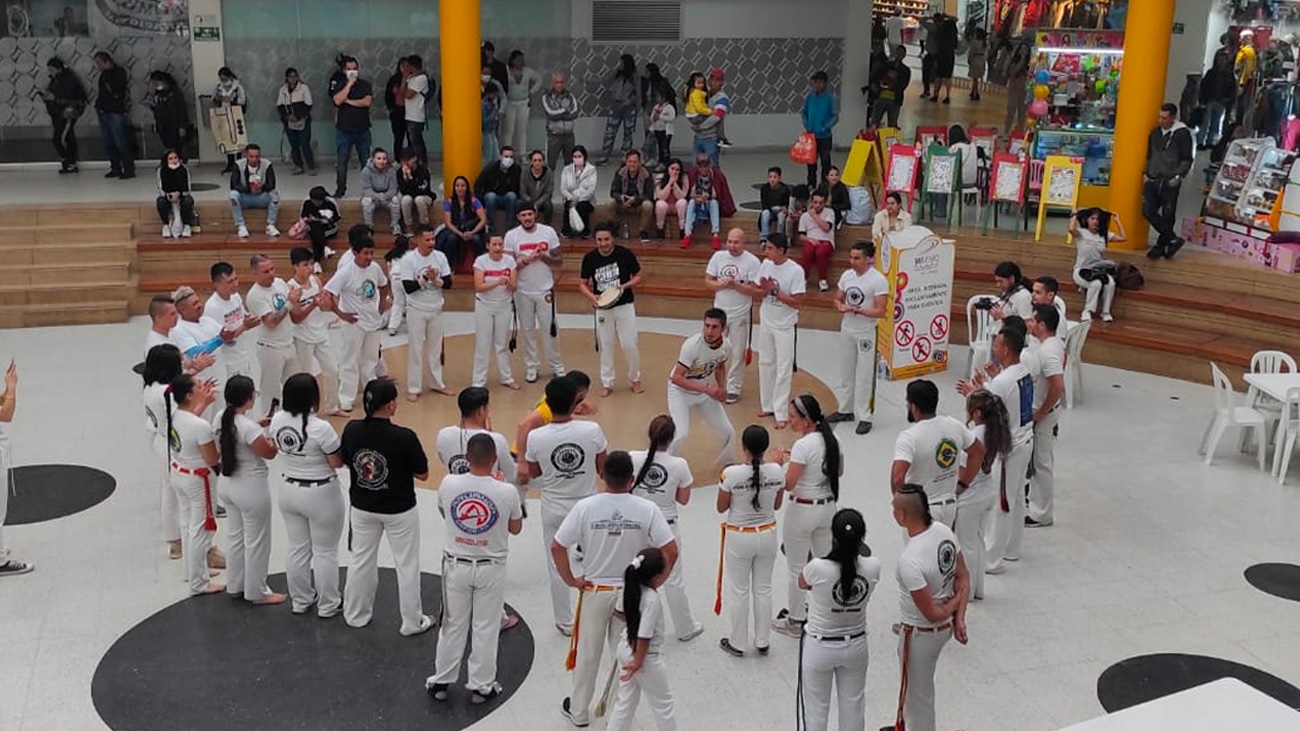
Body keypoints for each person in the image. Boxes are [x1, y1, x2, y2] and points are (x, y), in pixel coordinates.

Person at [550, 451, 678, 728]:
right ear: (632, 479)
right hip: (632, 593)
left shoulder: (586, 507)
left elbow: (557, 545)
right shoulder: (647, 509)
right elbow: (671, 550)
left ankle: (580, 711)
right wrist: (653, 583)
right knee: (626, 654)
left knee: (587, 655)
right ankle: (620, 714)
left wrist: (571, 579)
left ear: (601, 475)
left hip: (595, 589)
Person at [426, 433, 524, 704]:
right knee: (486, 626)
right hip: (490, 566)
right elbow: (516, 528)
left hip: (456, 564)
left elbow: (446, 512)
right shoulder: (506, 491)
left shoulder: (448, 483)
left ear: (466, 458)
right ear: (494, 460)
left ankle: (441, 681)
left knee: (452, 624)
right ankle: (481, 685)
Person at [340, 378, 432, 636]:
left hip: (362, 505)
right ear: (391, 404)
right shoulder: (404, 437)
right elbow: (423, 474)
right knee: (407, 564)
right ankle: (412, 622)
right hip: (399, 509)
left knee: (360, 560)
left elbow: (347, 461)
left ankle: (356, 615)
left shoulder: (352, 429)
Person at [527, 376, 609, 636]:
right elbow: (602, 469)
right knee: (597, 561)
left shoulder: (536, 437)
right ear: (576, 402)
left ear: (548, 404)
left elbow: (534, 472)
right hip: (588, 505)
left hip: (554, 506)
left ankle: (564, 621)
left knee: (556, 565)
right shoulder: (592, 430)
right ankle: (598, 615)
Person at [890, 485, 970, 731]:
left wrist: (954, 605)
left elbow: (932, 613)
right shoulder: (944, 531)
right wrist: (959, 617)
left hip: (918, 633)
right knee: (919, 692)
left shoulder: (910, 559)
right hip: (944, 627)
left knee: (917, 698)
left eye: (894, 508)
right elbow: (963, 577)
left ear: (902, 516)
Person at [796, 508, 880, 731]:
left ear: (833, 535)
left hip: (819, 645)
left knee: (816, 711)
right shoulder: (873, 566)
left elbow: (802, 583)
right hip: (856, 644)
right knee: (853, 708)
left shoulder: (817, 567)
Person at [959, 325, 1034, 574]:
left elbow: (988, 407)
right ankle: (1012, 548)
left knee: (1004, 502)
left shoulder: (1002, 381)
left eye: (997, 344)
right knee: (1016, 498)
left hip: (1010, 447)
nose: (993, 348)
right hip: (1025, 439)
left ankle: (992, 560)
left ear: (1006, 349)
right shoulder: (1022, 371)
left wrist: (974, 393)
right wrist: (987, 384)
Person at [270, 373, 346, 616]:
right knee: (325, 552)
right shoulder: (321, 428)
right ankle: (328, 604)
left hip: (289, 488)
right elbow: (336, 461)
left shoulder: (277, 419)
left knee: (297, 547)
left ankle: (300, 600)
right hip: (321, 492)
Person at [771, 394, 842, 638]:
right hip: (828, 508)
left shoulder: (803, 446)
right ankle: (828, 613)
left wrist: (780, 464)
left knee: (796, 568)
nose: (790, 421)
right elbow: (838, 470)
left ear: (806, 420)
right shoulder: (833, 439)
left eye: (793, 417)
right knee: (826, 564)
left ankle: (796, 619)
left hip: (802, 509)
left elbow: (789, 483)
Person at [629, 416, 702, 641]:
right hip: (667, 528)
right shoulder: (679, 465)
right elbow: (683, 499)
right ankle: (685, 627)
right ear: (671, 439)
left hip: (639, 527)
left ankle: (636, 625)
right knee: (673, 579)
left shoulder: (633, 458)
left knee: (636, 576)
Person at [716, 424, 784, 656]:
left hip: (739, 535)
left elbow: (721, 507)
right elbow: (776, 505)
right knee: (763, 588)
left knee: (739, 590)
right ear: (766, 447)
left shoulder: (731, 474)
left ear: (743, 446)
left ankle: (738, 642)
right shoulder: (777, 470)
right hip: (767, 532)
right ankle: (763, 640)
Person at [215, 375, 284, 605]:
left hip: (227, 484)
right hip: (251, 487)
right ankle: (257, 591)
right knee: (257, 540)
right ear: (248, 398)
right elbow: (269, 452)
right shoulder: (248, 428)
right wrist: (271, 433)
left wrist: (257, 424)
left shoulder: (220, 418)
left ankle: (235, 584)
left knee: (235, 537)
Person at [604, 547, 679, 731]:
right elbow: (644, 636)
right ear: (656, 576)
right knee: (663, 704)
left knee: (625, 702)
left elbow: (620, 613)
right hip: (645, 657)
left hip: (624, 648)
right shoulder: (651, 599)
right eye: (667, 569)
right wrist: (638, 662)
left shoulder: (631, 588)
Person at [892, 379, 980, 528]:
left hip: (921, 510)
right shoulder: (954, 425)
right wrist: (964, 483)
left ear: (913, 406)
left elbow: (897, 478)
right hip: (950, 506)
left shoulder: (909, 437)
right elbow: (978, 451)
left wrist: (900, 507)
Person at [165, 374, 222, 595]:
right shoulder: (201, 426)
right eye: (198, 386)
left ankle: (192, 571)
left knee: (187, 524)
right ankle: (199, 582)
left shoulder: (176, 414)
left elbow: (192, 426)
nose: (203, 387)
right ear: (189, 395)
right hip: (199, 481)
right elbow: (211, 458)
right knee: (201, 530)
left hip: (179, 472)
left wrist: (204, 403)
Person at [828, 241, 889, 435]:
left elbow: (881, 311)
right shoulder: (847, 275)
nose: (852, 261)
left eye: (857, 258)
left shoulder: (878, 280)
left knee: (864, 375)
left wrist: (859, 310)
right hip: (847, 328)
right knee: (846, 371)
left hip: (866, 331)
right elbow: (838, 298)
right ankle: (845, 410)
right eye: (851, 257)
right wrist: (840, 306)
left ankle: (865, 416)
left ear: (868, 259)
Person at [954, 390, 1010, 600]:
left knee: (966, 545)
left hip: (971, 495)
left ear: (976, 413)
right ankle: (978, 589)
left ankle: (966, 592)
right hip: (987, 491)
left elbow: (964, 469)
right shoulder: (994, 431)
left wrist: (958, 488)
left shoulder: (972, 437)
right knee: (978, 542)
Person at [325, 236, 390, 414]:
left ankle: (371, 394)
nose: (369, 257)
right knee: (349, 361)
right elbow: (328, 293)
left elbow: (384, 285)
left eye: (371, 253)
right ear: (355, 253)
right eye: (365, 253)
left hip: (372, 322)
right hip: (353, 323)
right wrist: (340, 314)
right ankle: (346, 399)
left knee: (370, 362)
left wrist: (381, 303)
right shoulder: (346, 272)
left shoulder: (375, 268)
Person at [579, 222, 645, 395]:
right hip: (602, 309)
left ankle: (635, 378)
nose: (603, 243)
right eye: (599, 240)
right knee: (606, 345)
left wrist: (624, 286)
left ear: (613, 238)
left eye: (606, 239)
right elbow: (582, 284)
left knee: (630, 344)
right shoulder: (590, 258)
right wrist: (592, 297)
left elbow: (638, 276)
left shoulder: (625, 254)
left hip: (624, 305)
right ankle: (607, 383)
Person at [666, 308, 736, 463]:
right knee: (680, 434)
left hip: (705, 392)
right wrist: (707, 389)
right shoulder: (692, 346)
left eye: (714, 327)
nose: (709, 331)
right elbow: (676, 377)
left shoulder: (726, 346)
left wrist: (721, 387)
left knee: (728, 431)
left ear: (723, 329)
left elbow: (719, 366)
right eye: (707, 325)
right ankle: (665, 464)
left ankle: (727, 463)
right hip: (680, 392)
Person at [504, 205, 565, 383]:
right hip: (522, 291)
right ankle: (532, 367)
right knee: (527, 330)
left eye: (530, 214)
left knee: (550, 329)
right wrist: (526, 260)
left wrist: (542, 257)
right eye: (523, 215)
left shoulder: (548, 232)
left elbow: (558, 261)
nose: (527, 218)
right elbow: (508, 266)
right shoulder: (511, 236)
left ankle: (557, 366)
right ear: (518, 217)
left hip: (545, 289)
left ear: (535, 215)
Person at [705, 229, 763, 403]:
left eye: (736, 242)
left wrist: (736, 285)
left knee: (738, 353)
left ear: (744, 243)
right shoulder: (718, 257)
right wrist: (720, 284)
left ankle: (733, 387)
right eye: (729, 241)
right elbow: (708, 281)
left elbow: (755, 290)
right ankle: (713, 385)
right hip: (719, 312)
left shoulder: (752, 262)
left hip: (740, 313)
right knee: (713, 350)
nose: (732, 245)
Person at [756, 235, 806, 428]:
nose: (766, 252)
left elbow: (797, 301)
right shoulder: (766, 265)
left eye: (769, 248)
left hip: (785, 325)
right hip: (767, 321)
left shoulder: (795, 271)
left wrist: (775, 290)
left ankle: (781, 411)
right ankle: (767, 404)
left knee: (784, 368)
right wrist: (761, 288)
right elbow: (760, 288)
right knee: (766, 362)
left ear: (782, 250)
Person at [399, 224, 454, 401]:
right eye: (427, 239)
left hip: (436, 308)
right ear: (417, 240)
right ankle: (414, 388)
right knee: (416, 348)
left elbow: (448, 282)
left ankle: (437, 383)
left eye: (433, 239)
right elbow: (408, 287)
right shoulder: (408, 260)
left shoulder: (440, 257)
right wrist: (425, 278)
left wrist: (437, 281)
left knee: (435, 348)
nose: (431, 243)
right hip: (416, 309)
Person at [1023, 305, 1066, 529]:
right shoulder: (1055, 344)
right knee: (1041, 460)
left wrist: (1041, 411)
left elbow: (1057, 385)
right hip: (1048, 409)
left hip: (1044, 413)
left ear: (1042, 325)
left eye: (1033, 320)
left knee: (1041, 462)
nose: (1029, 324)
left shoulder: (1047, 351)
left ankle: (1041, 513)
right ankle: (1037, 506)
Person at [143, 345, 185, 561]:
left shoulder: (150, 387)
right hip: (173, 444)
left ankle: (175, 540)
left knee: (168, 491)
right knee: (178, 493)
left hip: (159, 440)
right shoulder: (167, 393)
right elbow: (182, 419)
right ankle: (182, 541)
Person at [287, 247, 338, 414]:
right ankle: (307, 411)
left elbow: (325, 306)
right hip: (302, 337)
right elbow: (296, 318)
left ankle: (332, 406)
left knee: (332, 370)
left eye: (310, 264)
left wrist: (325, 304)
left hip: (321, 333)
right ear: (295, 266)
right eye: (305, 265)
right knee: (305, 377)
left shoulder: (316, 281)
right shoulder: (291, 287)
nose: (309, 268)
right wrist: (313, 304)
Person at [245, 254, 299, 411]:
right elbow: (271, 322)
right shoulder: (254, 295)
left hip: (288, 344)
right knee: (271, 393)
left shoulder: (280, 283)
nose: (271, 274)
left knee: (294, 387)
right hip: (271, 348)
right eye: (266, 271)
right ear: (255, 273)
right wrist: (290, 303)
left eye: (272, 269)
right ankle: (268, 429)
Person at [1143, 104, 1194, 260]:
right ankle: (1171, 238)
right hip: (1152, 177)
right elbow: (1149, 155)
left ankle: (1162, 245)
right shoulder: (1155, 133)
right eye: (1160, 117)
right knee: (1147, 210)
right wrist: (1146, 172)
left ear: (1173, 117)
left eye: (1164, 118)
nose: (1161, 121)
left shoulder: (1182, 134)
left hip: (1169, 179)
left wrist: (1177, 175)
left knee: (1168, 213)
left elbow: (1186, 158)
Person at [469, 235, 519, 389]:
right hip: (484, 306)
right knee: (482, 344)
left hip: (503, 306)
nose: (498, 248)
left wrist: (510, 283)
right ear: (487, 245)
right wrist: (498, 281)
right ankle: (478, 381)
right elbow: (478, 286)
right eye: (494, 244)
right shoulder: (481, 261)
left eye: (500, 244)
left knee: (501, 344)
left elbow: (514, 287)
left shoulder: (510, 261)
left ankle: (507, 377)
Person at [1070, 208, 1126, 322]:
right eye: (1093, 218)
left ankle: (1105, 312)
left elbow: (1124, 238)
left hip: (1098, 270)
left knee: (1110, 283)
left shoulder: (1104, 235)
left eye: (1098, 219)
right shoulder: (1081, 233)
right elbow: (1071, 229)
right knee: (1096, 284)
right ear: (1087, 220)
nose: (1095, 221)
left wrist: (1117, 221)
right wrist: (1074, 215)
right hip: (1081, 270)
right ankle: (1087, 311)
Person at [330, 56, 374, 199]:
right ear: (344, 70)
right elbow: (337, 100)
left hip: (363, 130)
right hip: (344, 130)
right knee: (342, 163)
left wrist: (348, 101)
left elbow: (366, 102)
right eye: (349, 69)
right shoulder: (340, 84)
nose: (352, 72)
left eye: (354, 69)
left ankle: (368, 190)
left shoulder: (365, 85)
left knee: (366, 162)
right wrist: (349, 85)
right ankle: (340, 190)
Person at [204, 262, 258, 379]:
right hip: (227, 363)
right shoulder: (213, 307)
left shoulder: (235, 297)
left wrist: (254, 320)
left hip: (242, 355)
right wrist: (245, 326)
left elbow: (244, 317)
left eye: (235, 279)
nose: (235, 284)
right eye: (229, 282)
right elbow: (221, 339)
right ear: (216, 284)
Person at [40, 57, 87, 174]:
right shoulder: (56, 80)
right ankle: (68, 163)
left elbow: (71, 98)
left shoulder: (68, 80)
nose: (50, 72)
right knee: (66, 137)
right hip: (58, 114)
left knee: (60, 138)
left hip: (66, 113)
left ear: (58, 68)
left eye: (51, 69)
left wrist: (54, 98)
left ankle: (69, 161)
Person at [92, 51, 133, 179]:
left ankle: (128, 169)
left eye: (99, 63)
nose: (97, 66)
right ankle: (115, 167)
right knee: (109, 142)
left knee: (120, 141)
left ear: (106, 61)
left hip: (115, 112)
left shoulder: (119, 73)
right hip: (103, 111)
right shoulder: (103, 75)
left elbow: (116, 91)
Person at [229, 143, 281, 239]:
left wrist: (261, 187)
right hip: (245, 197)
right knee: (233, 195)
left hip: (261, 197)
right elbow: (233, 185)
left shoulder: (267, 164)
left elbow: (272, 184)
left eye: (257, 157)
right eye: (251, 156)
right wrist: (248, 189)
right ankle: (241, 226)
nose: (254, 159)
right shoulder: (238, 165)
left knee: (275, 194)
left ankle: (270, 225)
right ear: (246, 156)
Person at [598, 54, 642, 165]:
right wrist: (616, 70)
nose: (620, 65)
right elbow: (606, 81)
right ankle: (604, 156)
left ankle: (625, 157)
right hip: (615, 106)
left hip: (628, 108)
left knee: (628, 134)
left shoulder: (634, 77)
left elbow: (638, 94)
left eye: (622, 63)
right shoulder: (616, 75)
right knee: (609, 132)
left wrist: (635, 106)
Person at [437, 175, 489, 267]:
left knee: (477, 239)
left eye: (463, 186)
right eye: (457, 186)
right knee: (451, 239)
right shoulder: (449, 202)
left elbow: (483, 219)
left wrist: (472, 232)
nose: (460, 188)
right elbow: (448, 223)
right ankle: (450, 266)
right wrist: (460, 234)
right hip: (456, 230)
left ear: (467, 187)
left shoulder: (474, 201)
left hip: (472, 229)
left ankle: (481, 266)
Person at [606, 150, 656, 242]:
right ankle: (614, 229)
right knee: (609, 203)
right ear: (626, 162)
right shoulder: (620, 173)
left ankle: (643, 232)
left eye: (635, 162)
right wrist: (622, 198)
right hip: (623, 203)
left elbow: (649, 195)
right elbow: (613, 192)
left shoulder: (647, 174)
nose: (632, 164)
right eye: (630, 162)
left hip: (639, 204)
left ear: (640, 162)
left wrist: (635, 199)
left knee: (648, 205)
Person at [801, 71, 839, 188]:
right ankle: (811, 184)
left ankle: (824, 184)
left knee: (825, 162)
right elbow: (804, 112)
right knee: (810, 162)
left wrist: (825, 127)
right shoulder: (810, 97)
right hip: (811, 136)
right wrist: (807, 125)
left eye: (820, 82)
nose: (817, 85)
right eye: (816, 82)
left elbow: (835, 116)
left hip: (825, 136)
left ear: (825, 84)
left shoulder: (830, 98)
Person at [276, 67, 316, 175]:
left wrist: (298, 116)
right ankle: (298, 166)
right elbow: (279, 106)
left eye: (294, 76)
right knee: (294, 145)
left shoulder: (304, 88)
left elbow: (309, 104)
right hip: (289, 122)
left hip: (303, 121)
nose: (292, 79)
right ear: (287, 78)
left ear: (297, 77)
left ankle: (311, 166)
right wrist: (287, 116)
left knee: (304, 144)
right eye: (290, 77)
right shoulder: (283, 90)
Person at [475, 146, 523, 233]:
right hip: (492, 198)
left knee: (511, 196)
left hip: (508, 198)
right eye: (506, 156)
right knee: (490, 196)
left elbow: (519, 187)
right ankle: (491, 227)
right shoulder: (490, 168)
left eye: (511, 157)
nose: (508, 159)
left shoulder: (516, 169)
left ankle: (510, 227)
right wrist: (481, 205)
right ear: (500, 157)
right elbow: (478, 186)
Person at [689, 68, 730, 168]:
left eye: (718, 80)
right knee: (696, 167)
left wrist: (700, 126)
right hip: (698, 137)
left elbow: (716, 117)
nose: (714, 82)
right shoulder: (703, 94)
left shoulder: (722, 98)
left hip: (712, 138)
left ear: (722, 83)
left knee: (712, 167)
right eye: (712, 79)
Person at [502, 50, 541, 152]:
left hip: (523, 103)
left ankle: (523, 155)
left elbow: (539, 79)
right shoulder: (506, 70)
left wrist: (532, 92)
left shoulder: (527, 71)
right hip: (510, 103)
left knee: (522, 131)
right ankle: (506, 154)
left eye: (522, 60)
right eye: (519, 60)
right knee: (509, 130)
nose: (521, 62)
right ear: (512, 60)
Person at [798, 191, 837, 292]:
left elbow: (826, 228)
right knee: (807, 252)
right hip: (811, 240)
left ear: (824, 203)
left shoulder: (829, 212)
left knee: (821, 253)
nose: (818, 205)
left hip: (826, 240)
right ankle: (803, 279)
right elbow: (801, 235)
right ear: (811, 202)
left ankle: (823, 280)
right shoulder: (805, 216)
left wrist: (815, 216)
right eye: (815, 202)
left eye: (821, 203)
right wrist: (810, 239)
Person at [212, 67, 248, 174]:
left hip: (236, 115)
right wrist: (219, 99)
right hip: (223, 116)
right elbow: (213, 98)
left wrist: (232, 100)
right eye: (221, 78)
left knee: (238, 139)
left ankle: (239, 163)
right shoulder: (219, 88)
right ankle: (230, 164)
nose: (223, 80)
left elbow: (243, 100)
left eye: (224, 78)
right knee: (227, 140)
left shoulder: (238, 87)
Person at [360, 148, 401, 235]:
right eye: (378, 158)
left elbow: (393, 189)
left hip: (387, 198)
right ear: (373, 159)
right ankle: (368, 227)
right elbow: (366, 189)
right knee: (366, 201)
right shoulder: (366, 171)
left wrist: (384, 196)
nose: (381, 161)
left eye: (384, 159)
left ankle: (395, 226)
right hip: (373, 198)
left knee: (396, 199)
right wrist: (378, 197)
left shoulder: (392, 171)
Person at [155, 149, 195, 238]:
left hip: (181, 197)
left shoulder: (184, 169)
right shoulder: (161, 170)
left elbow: (187, 188)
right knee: (160, 201)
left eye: (175, 158)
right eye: (170, 159)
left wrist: (178, 194)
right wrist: (169, 196)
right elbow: (160, 189)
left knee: (188, 200)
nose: (174, 161)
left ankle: (186, 225)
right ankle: (166, 225)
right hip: (168, 197)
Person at [543, 73, 579, 172]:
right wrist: (564, 111)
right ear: (552, 83)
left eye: (561, 82)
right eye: (557, 82)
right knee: (550, 164)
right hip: (554, 135)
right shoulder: (547, 96)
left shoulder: (570, 96)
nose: (559, 85)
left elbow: (575, 113)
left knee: (570, 164)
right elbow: (551, 114)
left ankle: (569, 186)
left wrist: (559, 113)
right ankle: (549, 186)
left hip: (569, 135)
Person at [868, 46, 911, 128]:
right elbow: (875, 77)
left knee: (892, 124)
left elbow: (903, 85)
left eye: (901, 53)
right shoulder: (885, 65)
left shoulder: (906, 71)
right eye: (898, 52)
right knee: (874, 122)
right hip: (880, 97)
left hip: (895, 100)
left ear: (904, 55)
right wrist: (876, 87)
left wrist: (891, 86)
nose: (899, 55)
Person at [1200, 52, 1236, 147]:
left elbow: (1233, 90)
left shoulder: (1229, 75)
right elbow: (1203, 87)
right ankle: (1200, 141)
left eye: (1224, 60)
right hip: (1210, 100)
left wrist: (1229, 100)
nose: (1222, 62)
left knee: (1215, 123)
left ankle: (1210, 142)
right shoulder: (1211, 73)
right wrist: (1202, 100)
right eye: (1220, 60)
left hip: (1221, 102)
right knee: (1205, 123)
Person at [400, 55, 431, 166]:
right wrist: (404, 78)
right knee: (412, 142)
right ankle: (414, 164)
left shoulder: (421, 78)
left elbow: (408, 94)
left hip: (417, 116)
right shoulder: (411, 78)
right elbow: (401, 92)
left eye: (407, 66)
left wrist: (404, 82)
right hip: (409, 115)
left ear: (413, 66)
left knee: (417, 143)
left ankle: (423, 164)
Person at [561, 145, 599, 237]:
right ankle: (566, 231)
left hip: (586, 200)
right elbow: (563, 188)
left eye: (579, 156)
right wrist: (571, 198)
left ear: (584, 157)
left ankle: (585, 231)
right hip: (570, 198)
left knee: (582, 206)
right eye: (575, 157)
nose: (577, 159)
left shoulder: (592, 170)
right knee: (568, 204)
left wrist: (578, 199)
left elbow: (591, 190)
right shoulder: (566, 170)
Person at [300, 186, 341, 265]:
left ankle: (316, 262)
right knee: (315, 229)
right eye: (314, 201)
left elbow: (338, 217)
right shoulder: (307, 202)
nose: (316, 203)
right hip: (313, 228)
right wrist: (310, 219)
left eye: (319, 202)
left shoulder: (331, 202)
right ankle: (325, 248)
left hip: (329, 229)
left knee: (316, 235)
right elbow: (303, 217)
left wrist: (328, 221)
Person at [397, 150, 434, 231]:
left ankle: (424, 225)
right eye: (403, 160)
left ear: (415, 159)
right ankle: (408, 226)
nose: (406, 163)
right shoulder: (400, 172)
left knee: (419, 199)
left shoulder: (423, 170)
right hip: (410, 195)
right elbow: (404, 190)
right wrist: (406, 178)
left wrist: (411, 178)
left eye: (408, 160)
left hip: (425, 196)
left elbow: (423, 190)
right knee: (405, 199)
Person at [655, 159, 690, 240]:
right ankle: (660, 229)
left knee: (682, 202)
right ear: (667, 168)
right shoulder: (659, 177)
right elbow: (661, 196)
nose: (674, 172)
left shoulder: (684, 178)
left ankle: (682, 229)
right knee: (660, 204)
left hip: (677, 206)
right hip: (665, 206)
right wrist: (669, 183)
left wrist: (674, 184)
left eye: (677, 170)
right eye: (672, 168)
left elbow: (682, 196)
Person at [520, 149, 555, 224]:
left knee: (548, 205)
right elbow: (522, 191)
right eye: (535, 160)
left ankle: (547, 227)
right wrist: (530, 202)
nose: (537, 163)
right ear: (531, 162)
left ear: (543, 162)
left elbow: (548, 192)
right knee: (519, 204)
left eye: (540, 160)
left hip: (542, 201)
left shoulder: (548, 173)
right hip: (528, 200)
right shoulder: (525, 172)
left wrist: (537, 204)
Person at [481, 64, 507, 165]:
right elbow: (483, 121)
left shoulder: (492, 103)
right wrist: (493, 114)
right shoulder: (483, 105)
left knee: (496, 156)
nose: (495, 96)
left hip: (492, 132)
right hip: (486, 133)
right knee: (488, 157)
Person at [383, 58, 408, 160]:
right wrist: (391, 108)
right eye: (403, 66)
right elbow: (389, 95)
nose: (405, 68)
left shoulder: (413, 79)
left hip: (410, 112)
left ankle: (411, 159)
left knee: (412, 138)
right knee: (398, 137)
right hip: (397, 112)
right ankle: (398, 159)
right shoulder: (394, 79)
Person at [759, 167, 792, 243]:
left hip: (781, 211)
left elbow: (787, 204)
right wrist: (772, 208)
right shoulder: (764, 188)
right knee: (765, 214)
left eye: (775, 177)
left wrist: (783, 208)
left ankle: (779, 237)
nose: (772, 179)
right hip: (770, 210)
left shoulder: (784, 189)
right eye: (770, 177)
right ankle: (764, 237)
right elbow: (763, 204)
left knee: (781, 216)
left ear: (779, 178)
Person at [1031, 276, 1069, 340]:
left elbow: (1057, 345)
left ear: (1050, 295)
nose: (1032, 295)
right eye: (1033, 291)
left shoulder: (1058, 320)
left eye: (1038, 292)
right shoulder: (1036, 309)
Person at [1003, 42, 1031, 131]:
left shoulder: (1030, 63)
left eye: (1025, 49)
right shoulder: (1013, 61)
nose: (1023, 51)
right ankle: (1006, 131)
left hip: (1025, 90)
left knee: (1022, 113)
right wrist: (1021, 61)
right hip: (1013, 89)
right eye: (1021, 49)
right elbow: (1012, 73)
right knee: (1011, 111)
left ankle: (1020, 132)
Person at [648, 88, 677, 169]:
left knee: (664, 148)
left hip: (665, 131)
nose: (657, 98)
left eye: (659, 97)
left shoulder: (669, 107)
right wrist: (653, 117)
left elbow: (671, 118)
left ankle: (665, 163)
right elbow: (652, 118)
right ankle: (660, 161)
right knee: (659, 147)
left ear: (664, 98)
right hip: (657, 130)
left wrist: (660, 116)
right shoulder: (656, 107)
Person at [823, 167, 851, 231]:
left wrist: (832, 206)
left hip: (836, 212)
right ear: (827, 177)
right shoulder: (822, 186)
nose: (834, 177)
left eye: (836, 175)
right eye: (831, 175)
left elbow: (847, 205)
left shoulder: (842, 187)